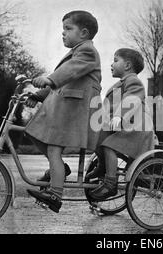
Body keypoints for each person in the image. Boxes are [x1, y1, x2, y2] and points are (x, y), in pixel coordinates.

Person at [24, 10, 102, 213]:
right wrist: (37, 96)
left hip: (77, 111)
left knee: (53, 149)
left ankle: (55, 195)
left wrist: (50, 79)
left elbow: (69, 72)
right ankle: (59, 169)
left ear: (84, 33)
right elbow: (62, 82)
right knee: (36, 135)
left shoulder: (87, 52)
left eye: (68, 28)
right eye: (63, 29)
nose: (63, 33)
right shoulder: (77, 51)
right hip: (67, 108)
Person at [86, 48, 155, 200]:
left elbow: (132, 99)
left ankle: (110, 184)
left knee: (109, 145)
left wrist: (119, 116)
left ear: (127, 65)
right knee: (98, 138)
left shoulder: (133, 81)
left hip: (137, 128)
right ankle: (103, 167)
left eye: (116, 60)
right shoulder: (120, 84)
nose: (112, 64)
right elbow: (107, 107)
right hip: (126, 126)